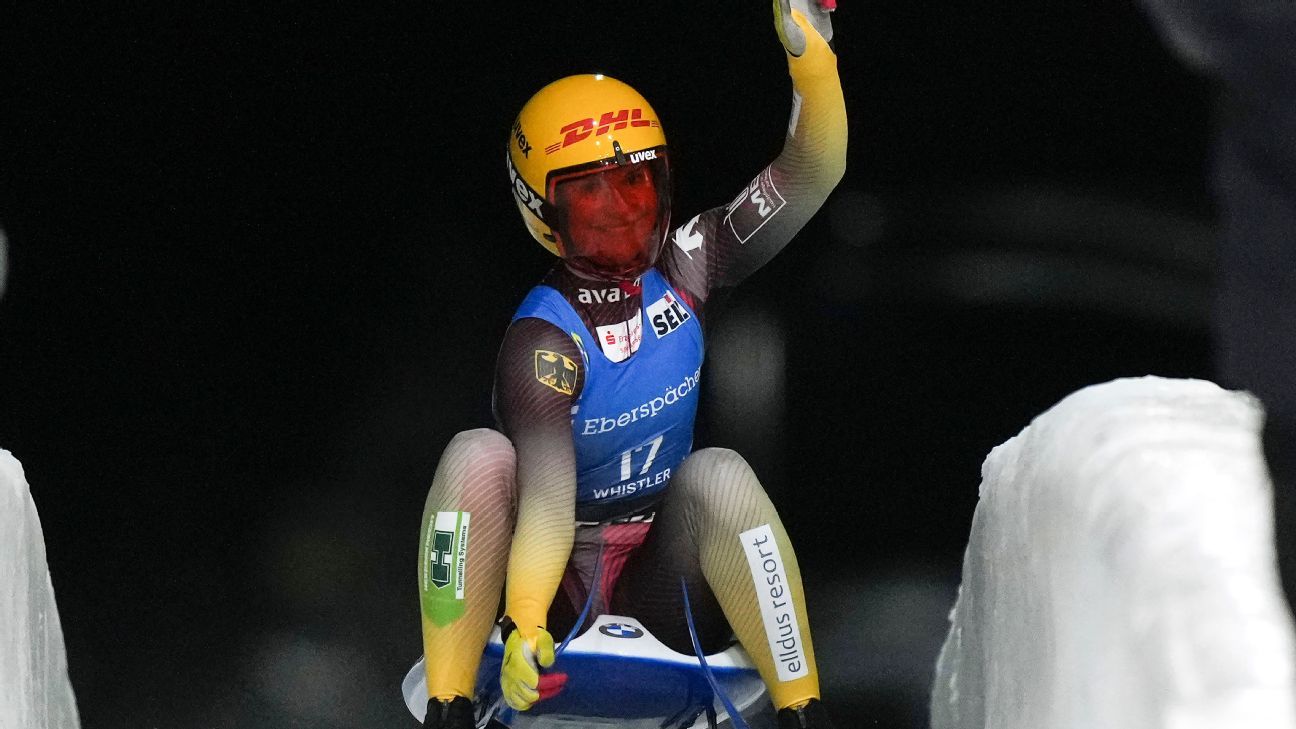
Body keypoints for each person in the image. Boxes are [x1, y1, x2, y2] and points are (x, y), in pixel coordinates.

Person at [415, 3, 847, 727]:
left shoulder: (693, 259)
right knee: (477, 456)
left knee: (719, 474)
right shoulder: (542, 341)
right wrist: (527, 619)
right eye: (589, 191)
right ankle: (450, 700)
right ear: (543, 212)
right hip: (554, 584)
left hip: (661, 576)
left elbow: (812, 173)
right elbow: (546, 505)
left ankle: (803, 709)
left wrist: (813, 60)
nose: (619, 211)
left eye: (635, 181)